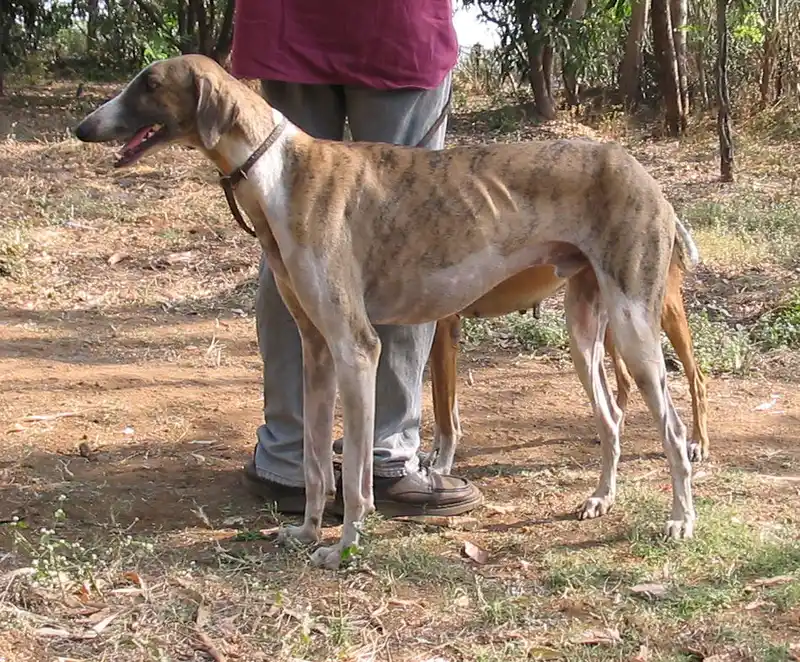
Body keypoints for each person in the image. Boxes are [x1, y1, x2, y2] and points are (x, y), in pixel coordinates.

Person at [231, 0, 483, 517]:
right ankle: (387, 459)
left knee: (291, 242)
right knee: (411, 241)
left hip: (290, 24)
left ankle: (290, 460)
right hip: (397, 25)